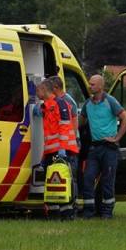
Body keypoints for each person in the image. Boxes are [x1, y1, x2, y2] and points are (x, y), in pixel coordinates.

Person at [79, 74, 126, 219]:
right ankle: (89, 211)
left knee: (108, 180)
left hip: (109, 148)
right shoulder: (88, 104)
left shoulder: (110, 101)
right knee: (88, 178)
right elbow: (80, 122)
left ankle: (107, 213)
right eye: (90, 84)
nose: (90, 86)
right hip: (94, 148)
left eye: (93, 84)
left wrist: (116, 138)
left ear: (101, 86)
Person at [35, 79, 69, 216]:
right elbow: (38, 113)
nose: (36, 93)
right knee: (51, 183)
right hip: (50, 151)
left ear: (44, 89)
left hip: (59, 151)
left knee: (62, 181)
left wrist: (63, 149)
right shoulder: (46, 105)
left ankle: (66, 213)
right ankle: (54, 213)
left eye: (37, 90)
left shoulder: (59, 103)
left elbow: (65, 126)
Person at [49, 75, 81, 215]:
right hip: (63, 144)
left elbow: (72, 126)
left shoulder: (67, 101)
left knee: (70, 176)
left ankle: (71, 207)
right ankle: (62, 206)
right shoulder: (57, 100)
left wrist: (66, 145)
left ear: (56, 88)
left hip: (68, 145)